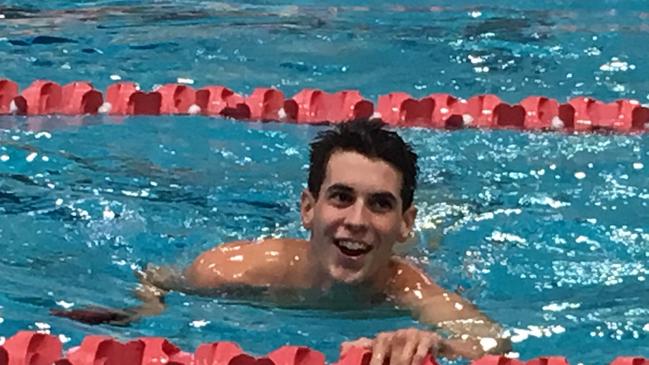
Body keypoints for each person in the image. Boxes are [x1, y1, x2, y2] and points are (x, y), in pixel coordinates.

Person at [53, 119, 511, 363]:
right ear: (308, 209)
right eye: (341, 198)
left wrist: (434, 344)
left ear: (403, 222)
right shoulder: (240, 269)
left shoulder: (409, 289)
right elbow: (159, 279)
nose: (356, 220)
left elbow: (492, 344)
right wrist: (145, 309)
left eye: (380, 205)